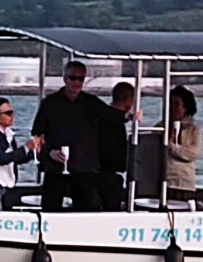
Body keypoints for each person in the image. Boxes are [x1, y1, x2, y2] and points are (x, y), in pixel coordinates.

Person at [31, 60, 123, 211]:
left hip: (84, 167)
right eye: (73, 78)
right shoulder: (50, 103)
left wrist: (130, 116)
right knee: (50, 207)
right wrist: (51, 152)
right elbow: (37, 135)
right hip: (55, 168)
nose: (76, 82)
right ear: (65, 78)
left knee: (84, 209)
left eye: (81, 79)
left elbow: (112, 115)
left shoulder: (91, 102)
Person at [95, 81, 136, 211]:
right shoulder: (112, 119)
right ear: (129, 100)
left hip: (101, 170)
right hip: (108, 172)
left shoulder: (104, 116)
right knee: (111, 207)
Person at [162, 85, 203, 204]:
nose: (172, 108)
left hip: (184, 183)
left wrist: (171, 147)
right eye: (170, 103)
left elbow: (193, 153)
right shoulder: (161, 126)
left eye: (176, 104)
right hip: (164, 180)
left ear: (186, 107)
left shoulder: (194, 129)